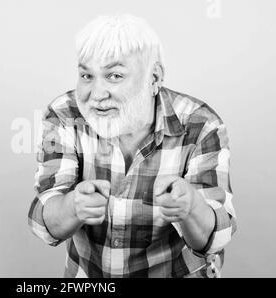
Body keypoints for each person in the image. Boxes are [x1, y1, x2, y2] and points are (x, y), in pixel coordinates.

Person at [28, 14, 237, 278]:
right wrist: (72, 207)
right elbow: (43, 223)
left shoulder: (201, 125)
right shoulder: (63, 115)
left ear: (154, 78)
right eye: (86, 75)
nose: (97, 94)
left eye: (114, 75)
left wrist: (192, 208)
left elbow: (215, 239)